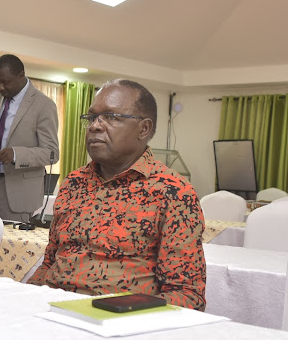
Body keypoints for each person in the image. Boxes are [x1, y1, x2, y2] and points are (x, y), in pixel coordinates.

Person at [28, 79, 206, 310]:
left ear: (144, 129)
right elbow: (50, 264)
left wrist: (123, 315)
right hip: (53, 311)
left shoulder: (172, 193)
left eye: (111, 117)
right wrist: (27, 299)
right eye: (92, 118)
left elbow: (187, 295)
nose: (95, 126)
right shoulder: (74, 184)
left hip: (120, 323)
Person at [0, 54, 59, 221]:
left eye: (5, 82)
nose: (0, 87)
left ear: (21, 75)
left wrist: (16, 155)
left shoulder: (44, 105)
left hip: (19, 193)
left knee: (11, 245)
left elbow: (52, 153)